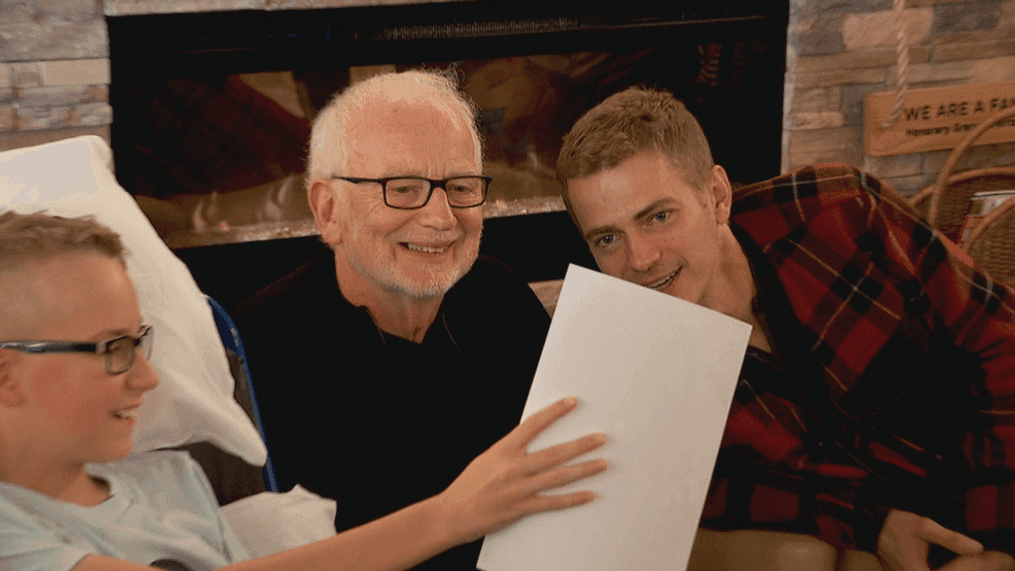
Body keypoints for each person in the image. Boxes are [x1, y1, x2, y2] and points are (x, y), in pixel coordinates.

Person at [554, 87, 1015, 571]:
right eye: (608, 239)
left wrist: (1000, 542)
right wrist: (870, 523)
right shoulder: (623, 367)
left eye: (659, 216)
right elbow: (720, 497)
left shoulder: (839, 210)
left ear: (716, 197)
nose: (640, 260)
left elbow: (996, 337)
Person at [0, 210, 607, 571]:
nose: (148, 376)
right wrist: (451, 514)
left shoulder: (175, 483)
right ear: (7, 376)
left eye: (140, 342)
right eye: (112, 350)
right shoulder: (12, 528)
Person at [230, 70, 554, 571]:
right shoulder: (256, 349)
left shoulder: (501, 297)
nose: (443, 218)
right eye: (403, 189)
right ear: (328, 209)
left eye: (461, 186)